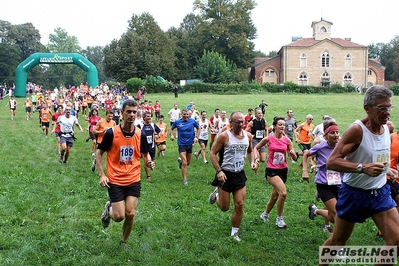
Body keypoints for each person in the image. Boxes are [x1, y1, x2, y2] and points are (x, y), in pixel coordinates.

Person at [320, 85, 399, 264]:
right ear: (367, 108)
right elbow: (331, 162)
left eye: (389, 107)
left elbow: (377, 155)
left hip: (380, 192)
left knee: (396, 241)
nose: (387, 112)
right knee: (338, 242)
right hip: (354, 194)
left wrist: (387, 169)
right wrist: (362, 168)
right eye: (381, 108)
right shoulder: (357, 130)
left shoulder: (387, 128)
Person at [97, 99, 155, 248]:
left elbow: (145, 153)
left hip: (133, 178)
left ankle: (124, 241)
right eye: (128, 111)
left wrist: (149, 161)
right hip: (115, 179)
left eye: (134, 112)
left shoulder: (139, 134)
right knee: (118, 216)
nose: (131, 114)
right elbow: (99, 153)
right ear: (122, 113)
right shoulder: (111, 133)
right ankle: (109, 209)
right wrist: (102, 175)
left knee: (130, 213)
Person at [208, 111, 258, 241]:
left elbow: (250, 151)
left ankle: (234, 232)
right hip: (225, 174)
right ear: (231, 122)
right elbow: (212, 153)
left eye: (243, 122)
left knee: (240, 204)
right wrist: (219, 171)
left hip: (239, 174)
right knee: (225, 207)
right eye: (238, 122)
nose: (241, 124)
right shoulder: (225, 136)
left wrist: (253, 161)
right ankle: (217, 195)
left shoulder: (248, 136)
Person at [256, 116, 297, 228]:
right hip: (272, 170)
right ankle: (279, 219)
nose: (282, 127)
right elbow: (256, 148)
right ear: (274, 127)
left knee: (275, 196)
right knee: (283, 193)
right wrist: (256, 159)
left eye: (283, 125)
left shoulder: (287, 140)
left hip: (283, 170)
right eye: (280, 124)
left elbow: (293, 158)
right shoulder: (268, 139)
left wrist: (293, 155)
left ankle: (265, 215)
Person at [302, 121, 341, 233]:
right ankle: (338, 245)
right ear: (326, 135)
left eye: (337, 132)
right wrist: (305, 171)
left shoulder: (342, 147)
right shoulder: (320, 147)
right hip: (324, 185)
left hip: (339, 185)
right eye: (332, 133)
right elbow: (306, 154)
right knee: (338, 215)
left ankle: (315, 210)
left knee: (334, 216)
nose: (336, 135)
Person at [171, 109, 200, 185]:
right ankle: (185, 180)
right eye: (184, 114)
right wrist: (171, 135)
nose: (186, 116)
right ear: (181, 114)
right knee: (185, 162)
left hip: (190, 144)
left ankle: (180, 162)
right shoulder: (177, 122)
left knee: (188, 163)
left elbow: (199, 128)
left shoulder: (192, 121)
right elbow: (171, 128)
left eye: (187, 114)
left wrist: (196, 136)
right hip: (181, 144)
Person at [139, 111, 161, 181]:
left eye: (150, 116)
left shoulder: (152, 125)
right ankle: (148, 176)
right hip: (144, 146)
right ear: (144, 117)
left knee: (152, 160)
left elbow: (159, 131)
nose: (149, 118)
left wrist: (158, 135)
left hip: (152, 145)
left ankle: (150, 167)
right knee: (147, 161)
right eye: (148, 116)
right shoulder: (140, 125)